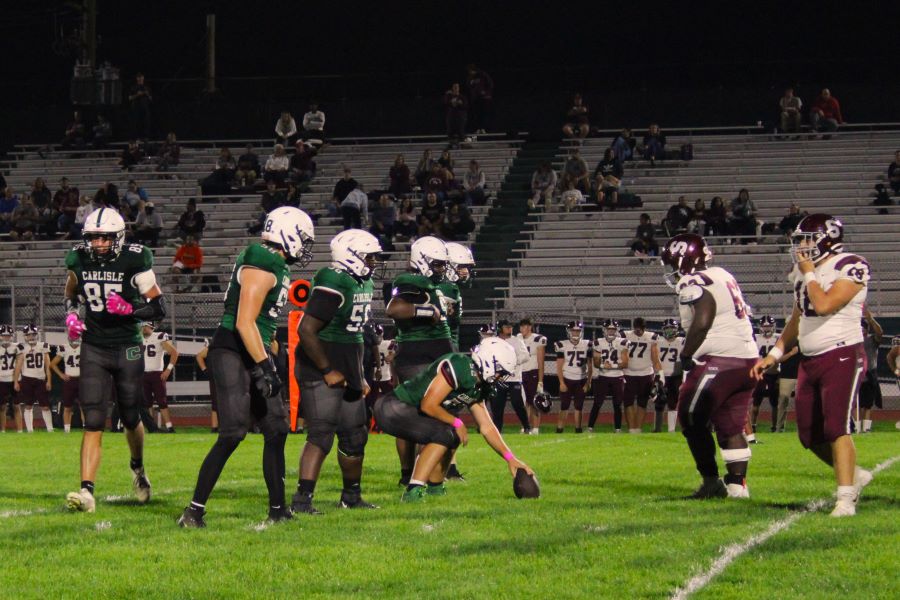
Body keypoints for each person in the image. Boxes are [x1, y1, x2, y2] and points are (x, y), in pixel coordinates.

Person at [178, 207, 315, 527]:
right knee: (233, 431)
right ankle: (193, 511)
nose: (305, 246)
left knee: (277, 428)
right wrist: (266, 367)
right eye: (303, 239)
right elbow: (243, 322)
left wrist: (266, 358)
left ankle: (279, 510)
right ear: (287, 233)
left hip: (253, 350)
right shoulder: (263, 257)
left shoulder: (277, 264)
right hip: (232, 349)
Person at [752, 214, 873, 516]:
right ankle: (855, 474)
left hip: (842, 352)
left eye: (807, 239)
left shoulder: (850, 264)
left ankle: (845, 498)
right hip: (810, 358)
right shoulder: (802, 272)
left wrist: (809, 274)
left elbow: (824, 304)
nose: (802, 246)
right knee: (808, 434)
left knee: (836, 426)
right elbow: (798, 318)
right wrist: (775, 354)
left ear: (827, 238)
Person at [63, 208, 166, 513]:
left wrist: (131, 312)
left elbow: (158, 308)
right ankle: (86, 491)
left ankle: (137, 468)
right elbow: (71, 293)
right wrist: (70, 315)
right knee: (93, 418)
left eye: (104, 238)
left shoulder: (136, 259)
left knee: (131, 414)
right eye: (93, 238)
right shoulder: (77, 259)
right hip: (94, 345)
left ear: (118, 237)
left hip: (128, 347)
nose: (97, 244)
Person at [290, 229, 382, 514]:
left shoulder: (361, 281)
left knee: (355, 435)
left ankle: (351, 496)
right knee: (321, 433)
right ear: (352, 255)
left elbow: (354, 335)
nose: (374, 262)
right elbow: (306, 329)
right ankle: (302, 501)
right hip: (319, 366)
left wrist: (359, 375)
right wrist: (327, 369)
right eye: (370, 256)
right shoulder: (333, 280)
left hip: (347, 365)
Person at [660, 233, 759, 499]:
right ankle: (738, 487)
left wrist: (686, 355)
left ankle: (711, 481)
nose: (671, 270)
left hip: (719, 358)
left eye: (672, 263)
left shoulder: (692, 280)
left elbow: (703, 318)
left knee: (691, 418)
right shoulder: (723, 274)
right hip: (746, 357)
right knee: (731, 426)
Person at [375, 337, 534, 502]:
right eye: (501, 372)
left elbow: (487, 427)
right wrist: (457, 422)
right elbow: (428, 405)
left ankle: (435, 488)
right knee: (446, 431)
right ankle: (413, 491)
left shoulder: (480, 386)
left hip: (412, 412)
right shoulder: (460, 365)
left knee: (452, 435)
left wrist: (511, 459)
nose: (501, 378)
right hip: (393, 407)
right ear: (489, 361)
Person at [384, 236, 453, 486]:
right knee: (420, 418)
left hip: (430, 356)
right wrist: (428, 312)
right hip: (419, 358)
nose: (441, 269)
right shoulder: (410, 280)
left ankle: (416, 475)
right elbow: (393, 308)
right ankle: (414, 476)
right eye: (437, 264)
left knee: (424, 417)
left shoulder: (426, 284)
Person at [622, 317, 663, 433]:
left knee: (642, 402)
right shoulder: (625, 335)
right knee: (628, 402)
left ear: (644, 328)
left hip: (646, 373)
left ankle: (638, 429)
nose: (638, 331)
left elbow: (655, 358)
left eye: (640, 329)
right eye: (636, 329)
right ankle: (631, 429)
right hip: (628, 373)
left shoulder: (651, 337)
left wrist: (659, 375)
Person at [589, 320, 630, 433]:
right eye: (609, 329)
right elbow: (596, 362)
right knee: (597, 403)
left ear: (616, 330)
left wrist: (610, 366)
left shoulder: (622, 342)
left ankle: (617, 428)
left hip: (618, 377)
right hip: (603, 376)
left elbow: (625, 363)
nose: (611, 331)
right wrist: (603, 365)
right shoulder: (598, 342)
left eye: (613, 329)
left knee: (617, 404)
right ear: (604, 330)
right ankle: (590, 427)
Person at [491, 320, 530, 433]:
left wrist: (511, 362)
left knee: (518, 403)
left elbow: (525, 356)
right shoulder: (494, 342)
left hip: (514, 378)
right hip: (499, 378)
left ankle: (526, 426)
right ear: (500, 328)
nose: (510, 328)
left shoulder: (516, 341)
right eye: (507, 327)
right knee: (497, 406)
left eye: (511, 327)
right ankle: (498, 430)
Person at [140, 322, 178, 433]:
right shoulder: (138, 338)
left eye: (145, 326)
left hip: (157, 373)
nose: (143, 328)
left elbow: (174, 352)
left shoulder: (159, 337)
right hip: (143, 374)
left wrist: (168, 369)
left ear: (151, 327)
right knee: (147, 403)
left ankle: (169, 427)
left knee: (162, 401)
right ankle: (152, 427)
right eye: (141, 326)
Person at [13, 325, 52, 432]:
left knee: (45, 406)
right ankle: (30, 430)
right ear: (25, 336)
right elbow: (18, 366)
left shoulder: (43, 346)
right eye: (29, 334)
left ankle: (50, 429)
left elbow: (47, 366)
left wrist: (49, 380)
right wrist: (16, 381)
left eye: (33, 334)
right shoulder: (21, 347)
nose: (31, 336)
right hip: (27, 379)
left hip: (40, 379)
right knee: (28, 405)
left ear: (37, 334)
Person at [554, 321, 591, 433]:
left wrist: (588, 382)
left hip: (581, 379)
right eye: (573, 331)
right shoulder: (562, 345)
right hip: (567, 378)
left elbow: (590, 365)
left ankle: (578, 429)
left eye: (578, 331)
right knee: (564, 405)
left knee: (579, 406)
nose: (575, 333)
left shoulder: (587, 344)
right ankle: (559, 429)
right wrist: (561, 382)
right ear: (569, 332)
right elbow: (559, 366)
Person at [437, 242, 475, 351]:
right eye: (461, 266)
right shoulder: (448, 289)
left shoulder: (450, 287)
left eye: (466, 267)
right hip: (443, 345)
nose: (466, 271)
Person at [750, 316, 780, 437]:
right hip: (760, 374)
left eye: (768, 326)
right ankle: (753, 426)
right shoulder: (755, 339)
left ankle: (774, 427)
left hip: (774, 373)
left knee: (774, 403)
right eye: (765, 326)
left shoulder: (778, 338)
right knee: (756, 403)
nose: (767, 328)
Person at [516, 318, 547, 434]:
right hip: (520, 373)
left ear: (529, 327)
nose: (522, 329)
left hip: (533, 372)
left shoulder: (538, 339)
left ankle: (536, 428)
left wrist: (540, 380)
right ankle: (526, 426)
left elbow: (541, 362)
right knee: (524, 402)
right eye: (521, 327)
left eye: (524, 326)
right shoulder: (518, 338)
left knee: (535, 401)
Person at [653, 319, 684, 433]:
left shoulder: (682, 341)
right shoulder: (658, 341)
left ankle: (671, 429)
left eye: (672, 328)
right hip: (661, 374)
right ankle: (657, 429)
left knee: (673, 402)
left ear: (676, 330)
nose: (670, 331)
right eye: (667, 328)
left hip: (676, 375)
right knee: (659, 401)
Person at [857, 310, 883, 434]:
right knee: (856, 404)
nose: (862, 331)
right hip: (857, 375)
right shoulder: (853, 342)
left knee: (868, 403)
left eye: (863, 328)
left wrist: (871, 319)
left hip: (870, 374)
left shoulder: (872, 340)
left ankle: (866, 428)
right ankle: (857, 427)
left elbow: (880, 332)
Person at [50, 337, 83, 433]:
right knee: (67, 406)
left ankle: (86, 428)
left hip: (81, 379)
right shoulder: (64, 348)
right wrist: (61, 375)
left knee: (83, 406)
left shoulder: (84, 347)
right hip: (69, 380)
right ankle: (67, 429)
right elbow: (52, 364)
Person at [0, 326, 23, 432]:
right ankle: (3, 431)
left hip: (14, 379)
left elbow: (19, 364)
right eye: (4, 336)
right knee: (2, 407)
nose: (6, 338)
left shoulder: (17, 346)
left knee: (16, 405)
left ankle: (20, 430)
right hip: (1, 380)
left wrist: (15, 381)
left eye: (8, 336)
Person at [195, 340, 218, 433]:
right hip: (216, 377)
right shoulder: (213, 346)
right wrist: (205, 370)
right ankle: (214, 427)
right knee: (216, 402)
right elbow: (199, 356)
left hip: (228, 376)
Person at [466, 64, 494, 134]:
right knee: (476, 114)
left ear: (474, 70)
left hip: (484, 98)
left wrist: (486, 92)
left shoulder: (483, 75)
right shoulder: (470, 77)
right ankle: (478, 128)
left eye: (471, 71)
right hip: (475, 98)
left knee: (484, 114)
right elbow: (468, 86)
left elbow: (490, 84)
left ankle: (483, 128)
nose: (470, 73)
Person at [128, 73, 153, 139]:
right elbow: (130, 98)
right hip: (136, 109)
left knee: (146, 124)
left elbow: (151, 99)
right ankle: (136, 138)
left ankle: (145, 138)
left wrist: (147, 94)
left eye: (141, 78)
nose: (140, 79)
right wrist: (137, 95)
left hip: (145, 109)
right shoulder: (133, 87)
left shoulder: (146, 87)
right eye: (139, 78)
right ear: (137, 79)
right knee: (136, 124)